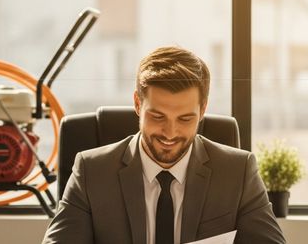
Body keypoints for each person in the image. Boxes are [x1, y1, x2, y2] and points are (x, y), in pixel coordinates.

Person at [42, 46, 285, 244]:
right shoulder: (92, 172)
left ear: (203, 109)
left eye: (185, 119)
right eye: (158, 117)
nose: (170, 133)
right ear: (138, 104)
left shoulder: (238, 172)